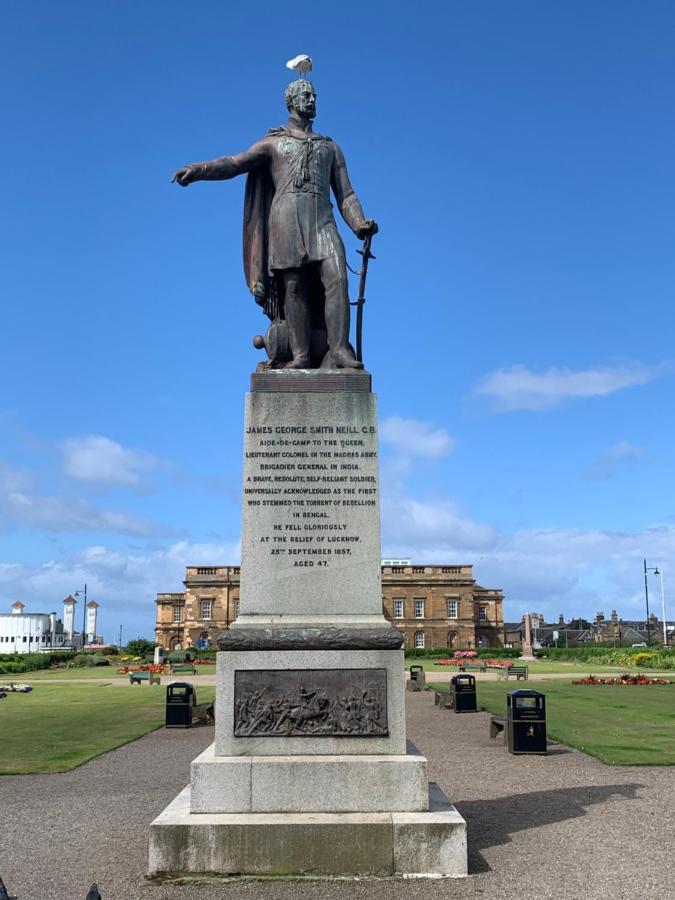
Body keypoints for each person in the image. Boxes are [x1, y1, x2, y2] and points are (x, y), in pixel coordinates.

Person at [172, 79, 377, 369]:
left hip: (322, 221)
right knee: (293, 287)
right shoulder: (273, 143)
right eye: (305, 95)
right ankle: (301, 354)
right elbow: (234, 162)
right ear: (291, 102)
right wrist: (198, 170)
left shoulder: (330, 148)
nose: (312, 99)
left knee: (338, 278)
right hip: (285, 221)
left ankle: (340, 349)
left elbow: (347, 195)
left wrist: (359, 224)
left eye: (314, 95)